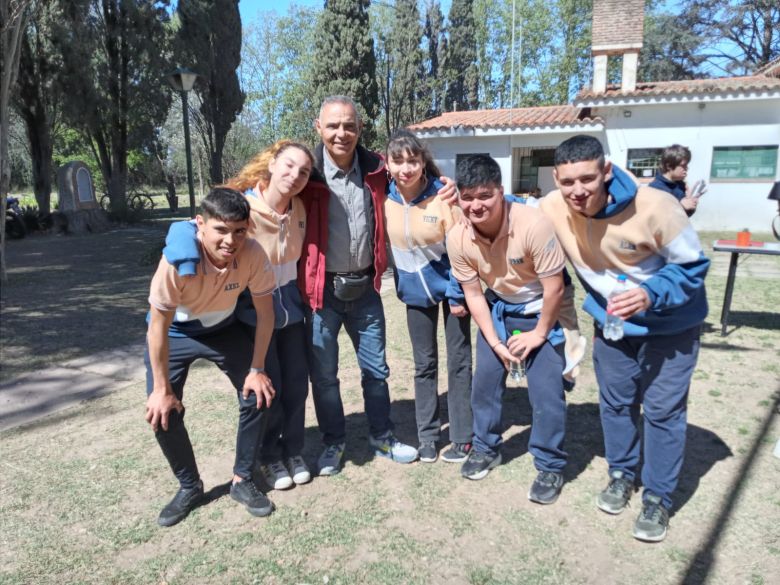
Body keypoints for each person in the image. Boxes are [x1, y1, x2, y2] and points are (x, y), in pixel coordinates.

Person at [541, 135, 710, 542]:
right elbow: (509, 213)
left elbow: (692, 266)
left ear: (606, 172)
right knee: (616, 403)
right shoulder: (550, 207)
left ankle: (657, 497)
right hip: (614, 324)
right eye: (568, 182)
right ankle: (620, 473)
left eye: (587, 179)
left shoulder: (656, 205)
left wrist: (652, 294)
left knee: (661, 411)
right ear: (555, 179)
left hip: (670, 325)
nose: (577, 191)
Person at [300, 95, 457, 476]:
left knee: (377, 371)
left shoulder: (376, 169)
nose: (342, 133)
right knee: (324, 378)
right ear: (318, 128)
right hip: (322, 294)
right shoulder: (308, 174)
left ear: (360, 129)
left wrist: (444, 185)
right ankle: (334, 442)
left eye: (349, 125)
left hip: (367, 291)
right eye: (334, 125)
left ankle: (381, 434)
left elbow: (414, 174)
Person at [163, 141, 327, 492]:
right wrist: (185, 259)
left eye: (302, 172)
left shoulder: (300, 206)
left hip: (291, 309)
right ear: (271, 164)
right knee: (271, 387)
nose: (294, 176)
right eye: (288, 167)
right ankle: (268, 457)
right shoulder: (245, 204)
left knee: (297, 384)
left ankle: (293, 450)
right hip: (253, 313)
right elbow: (191, 224)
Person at [145, 188, 277, 527]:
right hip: (175, 334)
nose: (230, 240)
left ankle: (242, 480)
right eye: (220, 229)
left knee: (257, 394)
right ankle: (189, 486)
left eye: (238, 231)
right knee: (162, 411)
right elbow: (157, 327)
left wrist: (257, 368)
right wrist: (161, 388)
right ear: (200, 224)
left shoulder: (252, 254)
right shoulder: (176, 261)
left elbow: (266, 314)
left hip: (223, 329)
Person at [446, 154, 570, 505]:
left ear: (501, 192)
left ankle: (549, 464)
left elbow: (555, 288)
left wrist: (539, 334)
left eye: (484, 195)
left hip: (540, 311)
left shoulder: (533, 224)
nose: (476, 205)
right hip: (499, 309)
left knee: (546, 393)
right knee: (483, 383)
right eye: (467, 198)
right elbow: (473, 294)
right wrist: (495, 343)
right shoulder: (457, 238)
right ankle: (486, 448)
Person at [383, 129, 473, 464]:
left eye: (413, 160)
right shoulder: (385, 198)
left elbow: (463, 249)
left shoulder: (444, 197)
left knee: (459, 362)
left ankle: (462, 436)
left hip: (453, 293)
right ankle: (428, 437)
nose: (406, 168)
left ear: (423, 162)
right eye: (398, 161)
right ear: (388, 165)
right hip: (414, 295)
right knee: (424, 365)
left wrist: (458, 293)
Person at [648, 144, 705, 217]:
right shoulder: (655, 188)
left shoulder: (680, 185)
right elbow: (655, 218)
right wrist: (681, 206)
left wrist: (691, 204)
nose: (686, 169)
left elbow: (684, 217)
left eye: (687, 165)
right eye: (683, 165)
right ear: (669, 166)